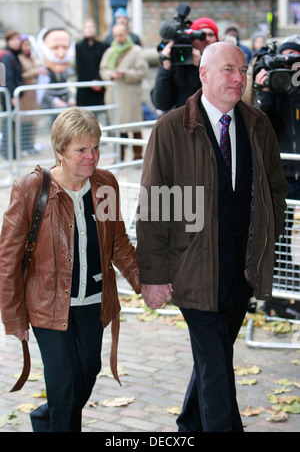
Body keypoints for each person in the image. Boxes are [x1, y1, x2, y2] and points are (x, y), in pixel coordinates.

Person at [136, 42, 289, 432]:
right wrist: (152, 275)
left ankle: (189, 423)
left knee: (215, 357)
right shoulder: (171, 128)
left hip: (241, 267)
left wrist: (270, 239)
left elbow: (274, 190)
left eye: (243, 69)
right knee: (218, 367)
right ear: (203, 75)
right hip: (192, 270)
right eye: (227, 70)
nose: (239, 78)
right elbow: (154, 207)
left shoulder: (257, 123)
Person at [0, 107, 141, 432]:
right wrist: (14, 317)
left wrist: (142, 281)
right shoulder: (31, 189)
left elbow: (117, 240)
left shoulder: (105, 184)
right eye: (81, 150)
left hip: (92, 302)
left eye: (95, 147)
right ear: (60, 151)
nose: (91, 157)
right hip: (47, 307)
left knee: (87, 373)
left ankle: (43, 419)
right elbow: (7, 259)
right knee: (64, 390)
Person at [253, 34, 300, 316]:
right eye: (286, 58)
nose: (290, 65)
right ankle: (277, 299)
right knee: (279, 235)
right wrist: (265, 92)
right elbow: (258, 124)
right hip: (281, 173)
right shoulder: (272, 86)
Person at [100, 23, 148, 160]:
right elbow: (102, 70)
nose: (118, 38)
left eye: (120, 35)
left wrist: (125, 73)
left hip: (130, 95)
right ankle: (119, 157)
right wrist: (110, 74)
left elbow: (142, 71)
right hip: (114, 95)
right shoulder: (110, 52)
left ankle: (138, 156)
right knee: (116, 127)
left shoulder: (136, 51)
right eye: (115, 36)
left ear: (127, 34)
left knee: (135, 126)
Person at [150, 17, 219, 112]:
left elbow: (217, 98)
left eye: (211, 35)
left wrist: (199, 67)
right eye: (201, 35)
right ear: (192, 39)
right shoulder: (179, 62)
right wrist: (165, 69)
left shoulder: (223, 63)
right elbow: (162, 104)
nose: (206, 39)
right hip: (183, 122)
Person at [36, 27, 76, 109]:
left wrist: (71, 97)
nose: (61, 54)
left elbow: (68, 87)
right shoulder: (42, 72)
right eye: (55, 48)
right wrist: (54, 100)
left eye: (65, 47)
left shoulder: (68, 70)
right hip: (47, 110)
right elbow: (42, 91)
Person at [18, 35, 46, 154]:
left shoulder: (31, 57)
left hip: (33, 94)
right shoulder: (19, 58)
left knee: (32, 121)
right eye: (25, 45)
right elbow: (22, 75)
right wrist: (35, 72)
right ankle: (24, 147)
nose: (27, 47)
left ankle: (30, 145)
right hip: (25, 94)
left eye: (29, 45)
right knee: (24, 121)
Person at [0, 30, 23, 159]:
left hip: (11, 94)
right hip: (9, 95)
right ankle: (8, 152)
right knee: (9, 123)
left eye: (17, 39)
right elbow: (7, 77)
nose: (16, 42)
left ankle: (11, 152)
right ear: (8, 41)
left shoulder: (13, 55)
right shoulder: (8, 56)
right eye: (13, 39)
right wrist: (13, 96)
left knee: (11, 123)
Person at [75, 18, 107, 108]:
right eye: (87, 27)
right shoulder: (79, 46)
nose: (89, 29)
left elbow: (103, 65)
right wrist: (90, 82)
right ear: (83, 30)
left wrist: (98, 80)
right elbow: (80, 67)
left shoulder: (101, 46)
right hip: (85, 86)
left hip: (98, 85)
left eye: (91, 27)